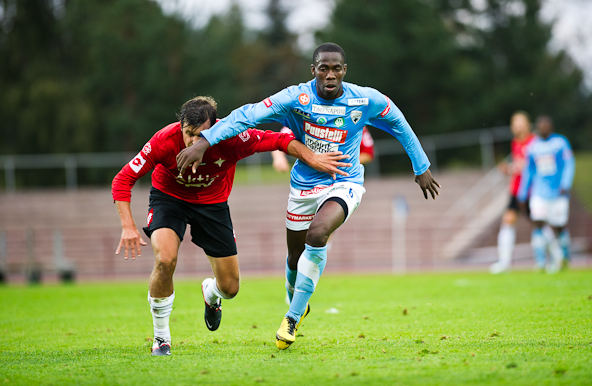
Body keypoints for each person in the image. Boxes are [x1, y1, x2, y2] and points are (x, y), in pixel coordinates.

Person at [176, 43, 441, 350]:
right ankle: (297, 299)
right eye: (323, 68)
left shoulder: (364, 99)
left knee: (318, 234)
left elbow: (398, 122)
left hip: (345, 182)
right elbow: (247, 115)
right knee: (294, 256)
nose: (330, 75)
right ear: (313, 70)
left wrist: (421, 165)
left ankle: (292, 316)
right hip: (303, 185)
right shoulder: (294, 98)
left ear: (344, 71)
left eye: (336, 68)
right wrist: (204, 142)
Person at [112, 96, 351, 356]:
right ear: (180, 126)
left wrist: (312, 158)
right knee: (165, 259)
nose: (193, 141)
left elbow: (280, 140)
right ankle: (161, 338)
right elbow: (123, 179)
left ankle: (210, 293)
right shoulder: (164, 140)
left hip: (213, 205)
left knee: (230, 288)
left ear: (216, 128)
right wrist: (128, 226)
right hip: (169, 200)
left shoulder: (235, 137)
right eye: (188, 134)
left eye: (201, 135)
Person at [517, 115, 575, 273]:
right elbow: (528, 171)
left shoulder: (560, 143)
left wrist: (566, 184)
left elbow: (569, 164)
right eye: (541, 125)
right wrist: (523, 193)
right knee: (538, 223)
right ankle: (541, 260)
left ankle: (564, 256)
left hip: (558, 193)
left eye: (546, 125)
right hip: (539, 193)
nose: (543, 127)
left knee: (558, 226)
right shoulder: (532, 147)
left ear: (551, 127)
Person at [489, 112, 535, 274]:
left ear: (527, 124)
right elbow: (518, 166)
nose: (518, 126)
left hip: (531, 190)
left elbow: (531, 167)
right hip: (516, 189)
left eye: (520, 122)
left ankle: (554, 257)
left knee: (539, 223)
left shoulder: (534, 142)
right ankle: (505, 262)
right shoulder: (515, 143)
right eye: (515, 123)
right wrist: (508, 169)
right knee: (508, 220)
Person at [272, 126, 375, 172]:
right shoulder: (305, 117)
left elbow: (368, 152)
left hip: (343, 179)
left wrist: (341, 165)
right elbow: (279, 139)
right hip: (308, 178)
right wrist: (279, 158)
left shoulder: (356, 124)